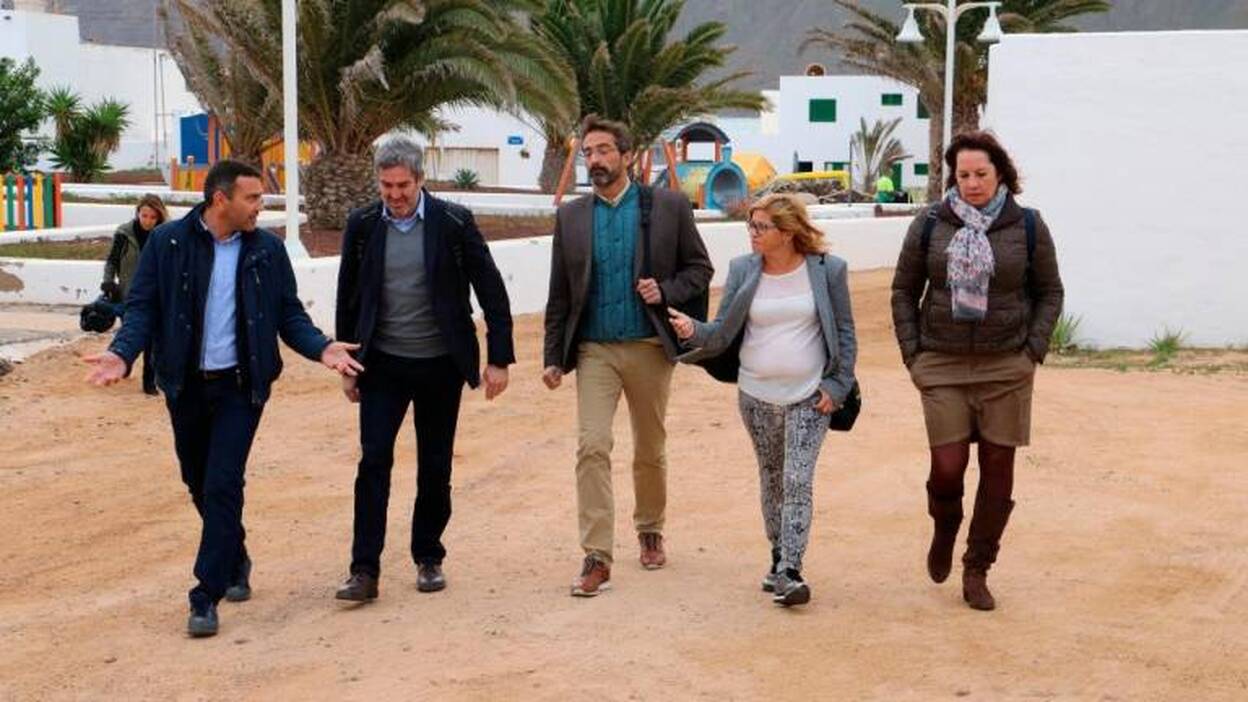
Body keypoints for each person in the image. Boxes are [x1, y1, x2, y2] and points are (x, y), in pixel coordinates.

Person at [84, 160, 362, 637]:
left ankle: (204, 595)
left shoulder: (268, 251)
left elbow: (288, 314)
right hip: (185, 385)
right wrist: (122, 354)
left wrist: (322, 348)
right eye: (251, 199)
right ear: (220, 200)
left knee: (222, 483)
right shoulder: (168, 244)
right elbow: (143, 308)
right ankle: (234, 555)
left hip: (241, 386)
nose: (260, 208)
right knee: (197, 480)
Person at [332, 136, 514, 602]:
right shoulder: (363, 225)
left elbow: (491, 289)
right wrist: (348, 363)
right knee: (373, 461)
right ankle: (364, 570)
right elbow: (348, 297)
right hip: (382, 365)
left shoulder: (454, 222)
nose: (394, 195)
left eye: (403, 186)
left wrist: (498, 359)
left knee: (435, 464)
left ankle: (428, 555)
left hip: (440, 365)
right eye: (386, 186)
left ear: (420, 180)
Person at [891, 131, 1064, 611]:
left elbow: (1050, 291)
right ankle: (946, 522)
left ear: (1000, 173)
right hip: (941, 362)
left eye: (981, 174)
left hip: (1006, 364)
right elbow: (904, 290)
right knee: (947, 468)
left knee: (998, 469)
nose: (971, 183)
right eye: (963, 174)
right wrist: (913, 355)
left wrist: (1032, 352)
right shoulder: (930, 224)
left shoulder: (1028, 225)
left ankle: (977, 567)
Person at [542, 115, 713, 597]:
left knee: (649, 448)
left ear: (627, 155)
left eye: (602, 151)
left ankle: (650, 528)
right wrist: (553, 357)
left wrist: (665, 291)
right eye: (588, 153)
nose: (594, 160)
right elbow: (560, 292)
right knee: (592, 446)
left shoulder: (669, 207)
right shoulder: (572, 217)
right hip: (594, 350)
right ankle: (597, 556)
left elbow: (700, 269)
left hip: (648, 347)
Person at [668, 194, 857, 606]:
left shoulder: (828, 270)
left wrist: (837, 385)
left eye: (760, 226)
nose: (752, 233)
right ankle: (777, 555)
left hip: (810, 396)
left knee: (797, 480)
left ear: (786, 232)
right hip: (755, 395)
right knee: (772, 477)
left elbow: (844, 331)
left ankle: (791, 569)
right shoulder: (743, 269)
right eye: (750, 225)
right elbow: (721, 330)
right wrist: (692, 330)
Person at [102, 194, 169, 394]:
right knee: (131, 332)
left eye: (153, 217)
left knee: (152, 340)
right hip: (128, 294)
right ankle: (125, 363)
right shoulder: (124, 233)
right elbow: (112, 261)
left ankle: (149, 381)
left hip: (156, 294)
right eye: (144, 215)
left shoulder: (166, 236)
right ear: (138, 213)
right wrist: (108, 281)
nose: (147, 221)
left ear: (159, 217)